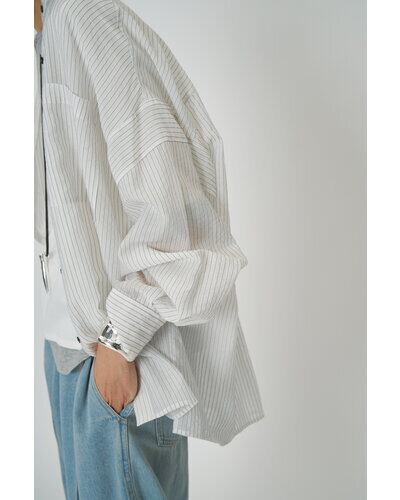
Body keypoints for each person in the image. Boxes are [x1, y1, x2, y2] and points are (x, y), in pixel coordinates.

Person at [35, 0, 264, 498]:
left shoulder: (81, 15)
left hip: (115, 355)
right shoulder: (44, 39)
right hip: (69, 355)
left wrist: (120, 341)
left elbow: (171, 188)